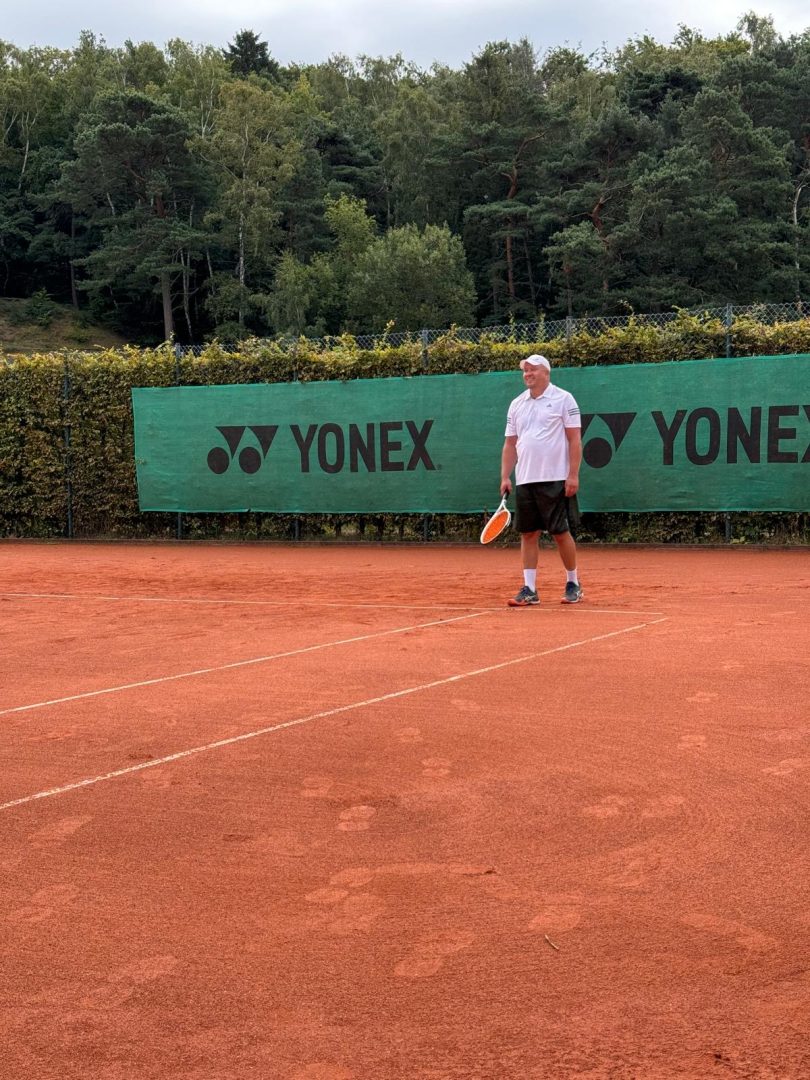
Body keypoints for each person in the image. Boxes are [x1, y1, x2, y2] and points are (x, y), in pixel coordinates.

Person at [500, 353, 583, 606]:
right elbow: (510, 444)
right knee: (528, 534)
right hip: (525, 479)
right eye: (525, 370)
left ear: (546, 372)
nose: (528, 374)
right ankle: (529, 589)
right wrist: (505, 476)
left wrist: (573, 475)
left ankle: (573, 583)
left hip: (556, 477)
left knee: (560, 533)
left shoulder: (564, 399)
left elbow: (575, 440)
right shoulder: (516, 404)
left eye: (533, 370)